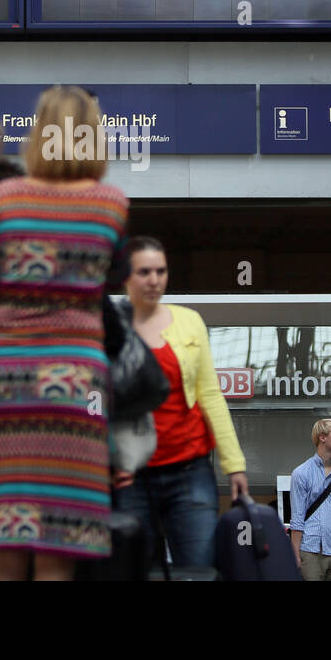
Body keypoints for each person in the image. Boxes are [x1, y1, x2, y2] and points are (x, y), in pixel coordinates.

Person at [0, 86, 130, 580]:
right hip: (74, 384)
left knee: (3, 545)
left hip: (3, 382)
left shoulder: (5, 197)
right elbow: (109, 280)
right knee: (60, 546)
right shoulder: (111, 203)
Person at [112, 236, 248, 568]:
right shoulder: (110, 323)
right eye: (144, 271)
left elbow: (210, 395)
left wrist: (235, 464)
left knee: (198, 569)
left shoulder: (189, 321)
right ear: (126, 275)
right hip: (129, 476)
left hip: (189, 470)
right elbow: (93, 401)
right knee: (132, 570)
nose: (154, 280)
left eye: (161, 271)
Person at [289, 418, 331, 581]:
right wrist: (296, 555)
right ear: (322, 437)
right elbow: (297, 518)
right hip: (310, 550)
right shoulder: (301, 473)